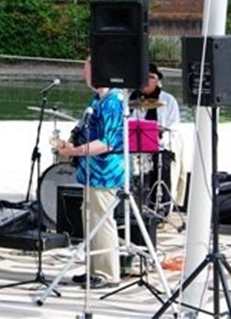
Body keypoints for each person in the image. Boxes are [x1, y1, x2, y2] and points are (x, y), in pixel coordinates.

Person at [56, 56, 125, 289]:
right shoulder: (97, 99)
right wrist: (70, 145)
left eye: (86, 71)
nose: (84, 75)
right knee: (91, 218)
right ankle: (94, 269)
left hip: (106, 171)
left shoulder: (113, 101)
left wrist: (76, 150)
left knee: (103, 220)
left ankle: (107, 273)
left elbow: (108, 142)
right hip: (91, 170)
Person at [129, 63, 186, 209]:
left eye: (151, 77)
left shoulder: (168, 100)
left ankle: (162, 207)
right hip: (136, 145)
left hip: (162, 145)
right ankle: (136, 205)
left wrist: (158, 132)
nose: (147, 81)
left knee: (164, 165)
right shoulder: (131, 100)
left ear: (157, 80)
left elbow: (174, 125)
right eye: (144, 77)